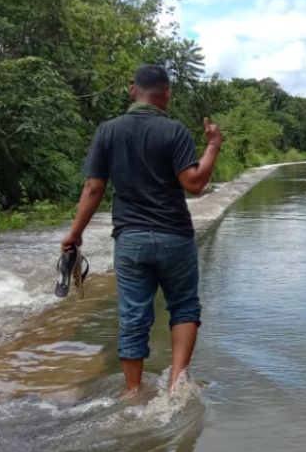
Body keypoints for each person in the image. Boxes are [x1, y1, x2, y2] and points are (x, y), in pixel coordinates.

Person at [61, 64, 224, 394]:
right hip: (175, 236)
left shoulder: (108, 130)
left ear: (132, 90)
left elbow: (93, 187)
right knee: (184, 307)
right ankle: (177, 384)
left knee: (133, 315)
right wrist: (213, 146)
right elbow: (194, 183)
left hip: (131, 239)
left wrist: (74, 233)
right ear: (166, 94)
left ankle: (132, 392)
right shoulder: (174, 131)